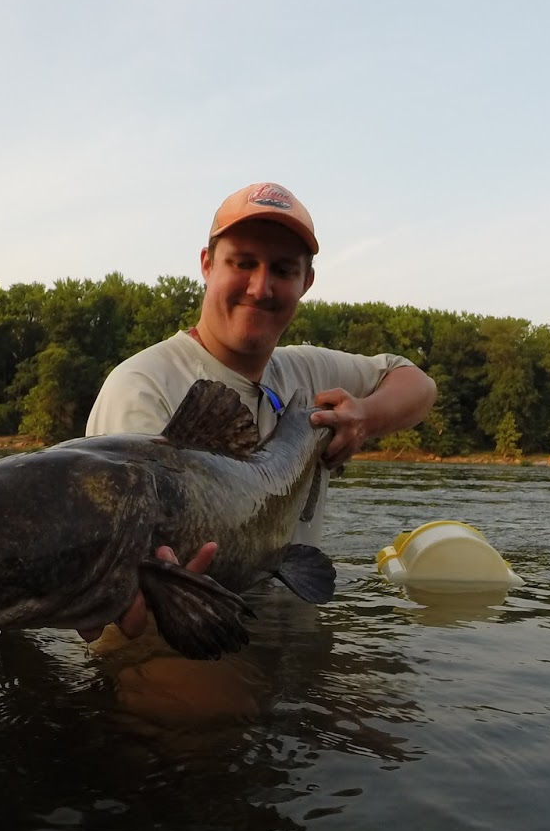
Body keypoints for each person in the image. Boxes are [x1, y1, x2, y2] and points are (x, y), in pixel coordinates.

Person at [82, 181, 437, 643]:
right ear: (207, 265)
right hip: (161, 643)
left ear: (306, 283)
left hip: (283, 624)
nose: (260, 286)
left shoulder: (307, 371)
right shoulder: (142, 386)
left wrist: (363, 416)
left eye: (283, 269)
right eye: (243, 263)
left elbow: (416, 383)